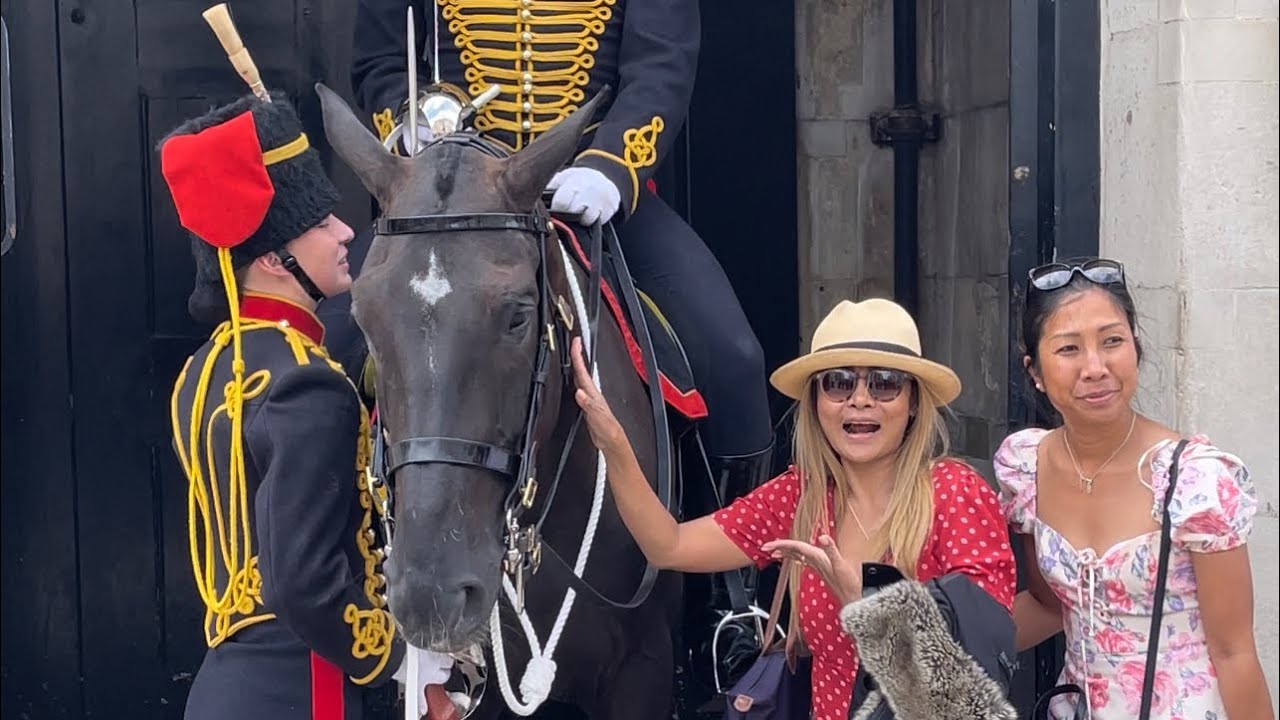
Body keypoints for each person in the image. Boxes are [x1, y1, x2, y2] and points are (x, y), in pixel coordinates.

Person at [347, 0, 775, 496]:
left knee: (733, 361)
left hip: (587, 185)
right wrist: (409, 115)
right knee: (331, 347)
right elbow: (380, 60)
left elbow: (661, 63)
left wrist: (611, 166)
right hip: (452, 196)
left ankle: (730, 566)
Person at [570, 297, 1018, 719]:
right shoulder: (801, 495)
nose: (860, 399)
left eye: (885, 383)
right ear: (817, 401)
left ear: (913, 402)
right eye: (839, 382)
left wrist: (867, 604)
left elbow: (979, 673)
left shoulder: (957, 495)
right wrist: (615, 446)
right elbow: (668, 546)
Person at [158, 90, 405, 720]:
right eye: (321, 222)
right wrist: (396, 656)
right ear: (272, 258)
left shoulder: (204, 369)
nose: (347, 229)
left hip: (223, 687)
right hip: (302, 692)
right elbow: (304, 585)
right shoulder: (309, 382)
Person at [995, 257, 1273, 719]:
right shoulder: (1026, 467)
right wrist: (934, 649)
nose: (1095, 367)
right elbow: (1049, 607)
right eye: (1068, 350)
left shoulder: (1193, 480)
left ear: (1136, 350)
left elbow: (1235, 653)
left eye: (1112, 342)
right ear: (1035, 372)